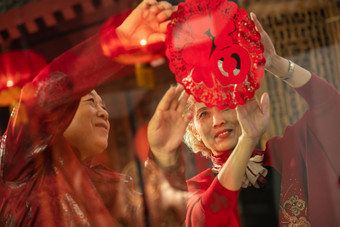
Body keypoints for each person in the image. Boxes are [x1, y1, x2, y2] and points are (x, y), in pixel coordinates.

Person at [0, 0, 190, 226]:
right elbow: (43, 97)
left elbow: (162, 221)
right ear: (61, 113)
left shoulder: (111, 185)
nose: (103, 113)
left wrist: (164, 157)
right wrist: (118, 42)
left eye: (105, 107)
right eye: (91, 101)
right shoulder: (22, 166)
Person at [162, 11, 340, 226]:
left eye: (226, 105)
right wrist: (247, 140)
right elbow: (209, 219)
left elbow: (330, 107)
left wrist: (274, 63)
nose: (218, 120)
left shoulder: (286, 153)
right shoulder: (194, 190)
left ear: (244, 107)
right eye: (203, 114)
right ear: (194, 131)